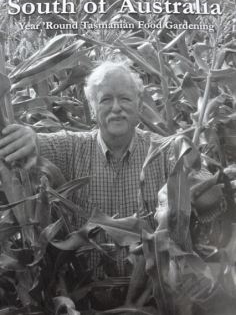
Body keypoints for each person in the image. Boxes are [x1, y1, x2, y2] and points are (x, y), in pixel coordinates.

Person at [0, 60, 173, 276]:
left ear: (139, 106)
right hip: (84, 295)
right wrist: (27, 137)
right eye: (105, 100)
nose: (116, 107)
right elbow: (36, 144)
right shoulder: (72, 147)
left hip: (152, 294)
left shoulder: (165, 150)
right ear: (92, 109)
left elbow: (201, 180)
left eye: (125, 98)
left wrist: (187, 189)